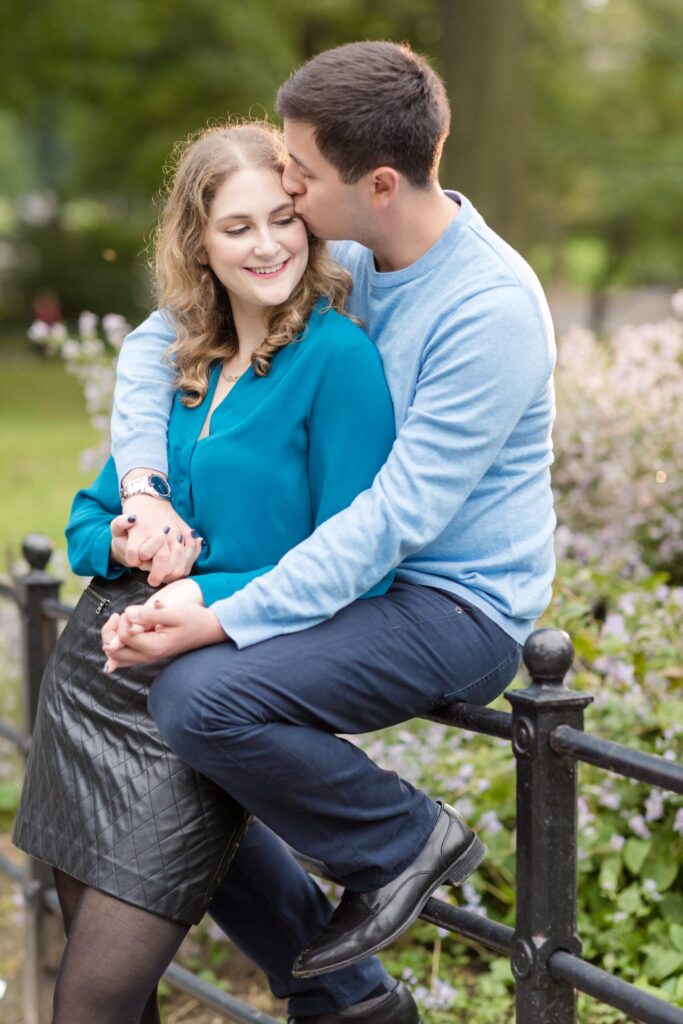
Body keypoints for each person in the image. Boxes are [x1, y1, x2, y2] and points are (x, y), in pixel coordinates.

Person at [104, 39, 555, 1011]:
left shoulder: (488, 310)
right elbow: (161, 336)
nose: (286, 191)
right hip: (359, 577)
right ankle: (346, 998)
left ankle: (401, 839)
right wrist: (140, 486)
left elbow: (391, 521)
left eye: (298, 174)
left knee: (197, 703)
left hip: (451, 604)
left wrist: (219, 616)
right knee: (170, 736)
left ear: (377, 182)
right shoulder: (350, 248)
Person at [12, 119, 414, 1024]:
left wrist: (205, 590)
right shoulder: (182, 358)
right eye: (238, 227)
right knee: (104, 981)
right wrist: (129, 533)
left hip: (197, 687)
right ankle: (358, 1010)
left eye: (283, 218)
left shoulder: (334, 361)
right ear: (198, 240)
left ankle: (361, 1007)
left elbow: (352, 562)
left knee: (90, 1002)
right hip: (93, 682)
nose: (267, 244)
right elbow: (84, 522)